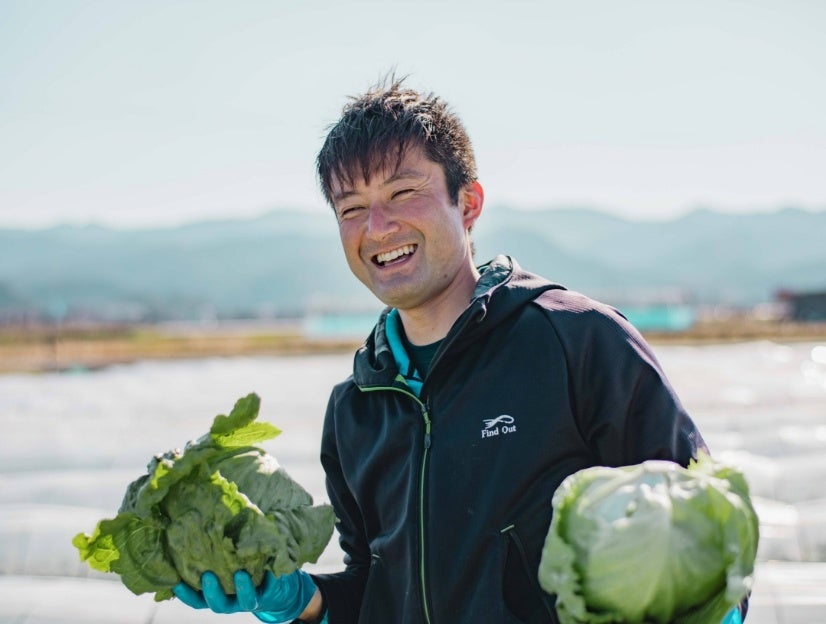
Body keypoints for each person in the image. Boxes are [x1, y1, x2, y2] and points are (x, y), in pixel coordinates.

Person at [173, 77, 747, 623]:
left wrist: (709, 606)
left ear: (468, 203)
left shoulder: (579, 342)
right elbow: (375, 593)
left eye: (404, 192)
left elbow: (699, 530)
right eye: (351, 208)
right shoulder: (355, 408)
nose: (378, 227)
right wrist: (301, 600)